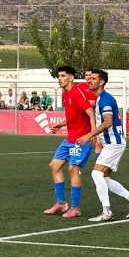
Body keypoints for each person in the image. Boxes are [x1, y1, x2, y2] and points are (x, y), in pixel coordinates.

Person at [76, 69, 129, 221]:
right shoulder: (100, 99)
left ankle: (107, 212)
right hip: (111, 143)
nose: (89, 81)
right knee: (104, 178)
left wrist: (89, 135)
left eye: (93, 78)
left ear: (101, 82)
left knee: (96, 174)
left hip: (114, 144)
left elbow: (108, 122)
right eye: (88, 78)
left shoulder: (105, 99)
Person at [43, 65, 96, 218]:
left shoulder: (77, 92)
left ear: (71, 78)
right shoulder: (65, 94)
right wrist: (60, 124)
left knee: (73, 169)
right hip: (70, 139)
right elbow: (74, 116)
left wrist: (92, 133)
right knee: (54, 165)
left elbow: (90, 112)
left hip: (81, 139)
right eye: (58, 76)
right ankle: (61, 203)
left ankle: (76, 208)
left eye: (63, 76)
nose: (60, 79)